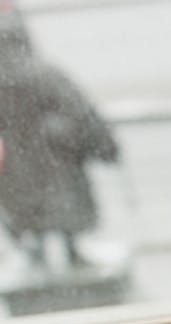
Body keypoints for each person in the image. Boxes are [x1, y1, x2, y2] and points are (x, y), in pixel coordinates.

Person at [0, 12, 119, 268]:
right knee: (64, 213)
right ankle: (68, 252)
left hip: (23, 173)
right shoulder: (48, 74)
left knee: (32, 215)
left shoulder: (38, 77)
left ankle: (39, 253)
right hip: (56, 167)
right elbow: (81, 114)